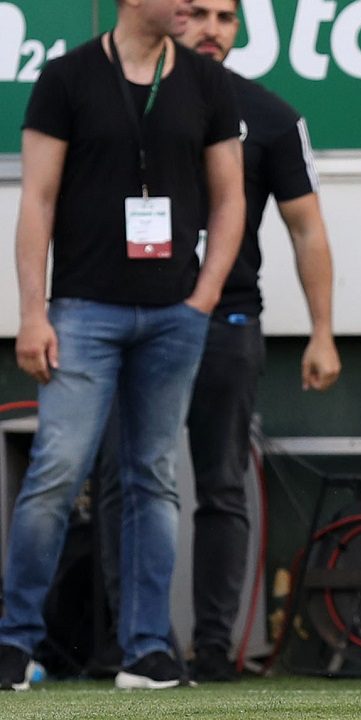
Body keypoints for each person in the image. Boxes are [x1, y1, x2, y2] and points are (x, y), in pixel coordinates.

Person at [90, 0, 343, 683]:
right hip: (127, 319)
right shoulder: (117, 97)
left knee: (222, 486)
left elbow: (307, 229)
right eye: (196, 12)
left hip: (226, 322)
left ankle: (213, 650)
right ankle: (137, 646)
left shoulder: (269, 115)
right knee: (120, 481)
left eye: (225, 17)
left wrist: (322, 331)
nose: (210, 28)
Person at [0, 0, 244, 692]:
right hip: (82, 311)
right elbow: (37, 200)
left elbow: (230, 198)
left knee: (153, 480)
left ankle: (146, 651)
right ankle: (14, 643)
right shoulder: (66, 78)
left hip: (175, 314)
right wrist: (32, 314)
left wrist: (204, 295)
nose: (191, 7)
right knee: (57, 472)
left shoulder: (206, 81)